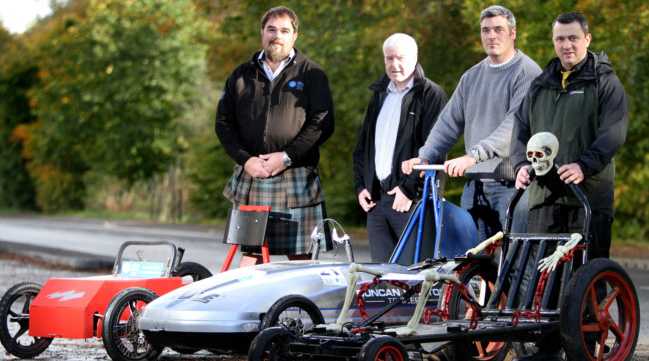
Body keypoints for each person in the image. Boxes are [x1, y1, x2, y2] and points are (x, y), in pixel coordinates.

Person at [509, 12, 628, 361]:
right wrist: (519, 166)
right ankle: (547, 351)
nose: (566, 45)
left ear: (587, 39)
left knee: (586, 276)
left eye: (573, 38)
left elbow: (613, 133)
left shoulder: (604, 82)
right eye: (560, 39)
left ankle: (587, 353)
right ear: (553, 41)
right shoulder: (540, 83)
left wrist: (584, 165)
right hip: (544, 197)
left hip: (587, 196)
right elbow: (520, 130)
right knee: (548, 275)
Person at [402, 5, 541, 243]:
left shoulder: (527, 72)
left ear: (513, 33)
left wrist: (472, 156)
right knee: (470, 264)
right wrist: (426, 156)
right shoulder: (471, 76)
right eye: (485, 30)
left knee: (515, 266)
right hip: (475, 186)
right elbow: (448, 123)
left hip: (512, 185)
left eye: (498, 29)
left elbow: (514, 127)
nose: (491, 36)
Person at [215, 6, 334, 266]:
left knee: (302, 257)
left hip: (296, 176)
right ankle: (246, 307)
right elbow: (224, 124)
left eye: (284, 30)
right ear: (262, 33)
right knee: (251, 253)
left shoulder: (311, 73)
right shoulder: (241, 74)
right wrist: (246, 160)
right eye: (271, 29)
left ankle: (305, 307)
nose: (276, 36)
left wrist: (287, 156)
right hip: (252, 173)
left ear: (295, 36)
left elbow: (322, 123)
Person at [352, 33, 448, 263]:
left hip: (412, 202)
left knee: (416, 278)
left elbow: (436, 150)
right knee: (384, 281)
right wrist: (360, 186)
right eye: (389, 58)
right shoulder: (378, 95)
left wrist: (409, 189)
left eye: (401, 58)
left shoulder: (432, 95)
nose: (395, 64)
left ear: (415, 58)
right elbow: (362, 148)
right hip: (376, 203)